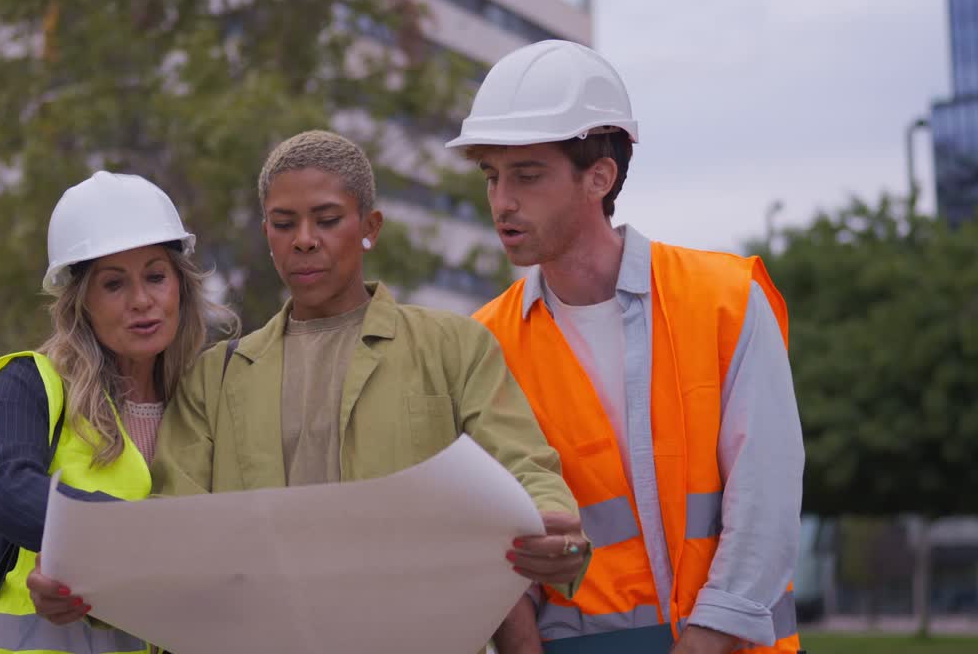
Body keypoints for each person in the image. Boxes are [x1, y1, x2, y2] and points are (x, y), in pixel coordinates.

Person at [31, 130, 591, 652]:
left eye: (327, 220)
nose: (304, 241)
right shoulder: (214, 378)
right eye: (283, 223)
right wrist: (89, 587)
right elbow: (171, 530)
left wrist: (553, 527)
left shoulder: (454, 347)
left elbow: (526, 467)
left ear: (370, 226)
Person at [449, 39, 805, 653]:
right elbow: (493, 536)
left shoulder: (724, 299)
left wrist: (707, 637)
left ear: (600, 176)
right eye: (492, 177)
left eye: (527, 176)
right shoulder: (485, 342)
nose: (501, 202)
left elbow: (765, 498)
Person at [0, 171, 234, 654]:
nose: (142, 301)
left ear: (180, 286)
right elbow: (6, 486)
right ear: (81, 301)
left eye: (155, 276)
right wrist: (98, 549)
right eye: (113, 284)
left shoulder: (202, 401)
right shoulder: (30, 383)